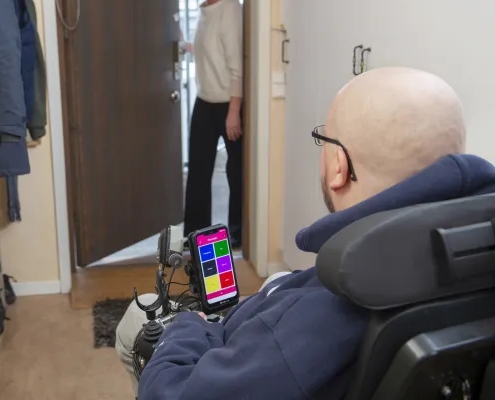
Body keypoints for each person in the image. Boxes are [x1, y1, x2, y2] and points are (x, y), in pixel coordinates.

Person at [116, 67, 495, 399]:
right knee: (277, 280)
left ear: (339, 167)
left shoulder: (315, 319)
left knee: (139, 313)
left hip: (224, 360)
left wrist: (187, 327)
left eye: (324, 139)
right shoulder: (469, 256)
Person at [183, 0, 244, 247]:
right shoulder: (204, 11)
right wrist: (183, 46)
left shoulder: (230, 9)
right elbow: (210, 53)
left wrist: (234, 110)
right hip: (204, 102)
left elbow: (235, 63)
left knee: (236, 172)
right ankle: (195, 237)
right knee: (198, 173)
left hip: (227, 104)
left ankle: (238, 234)